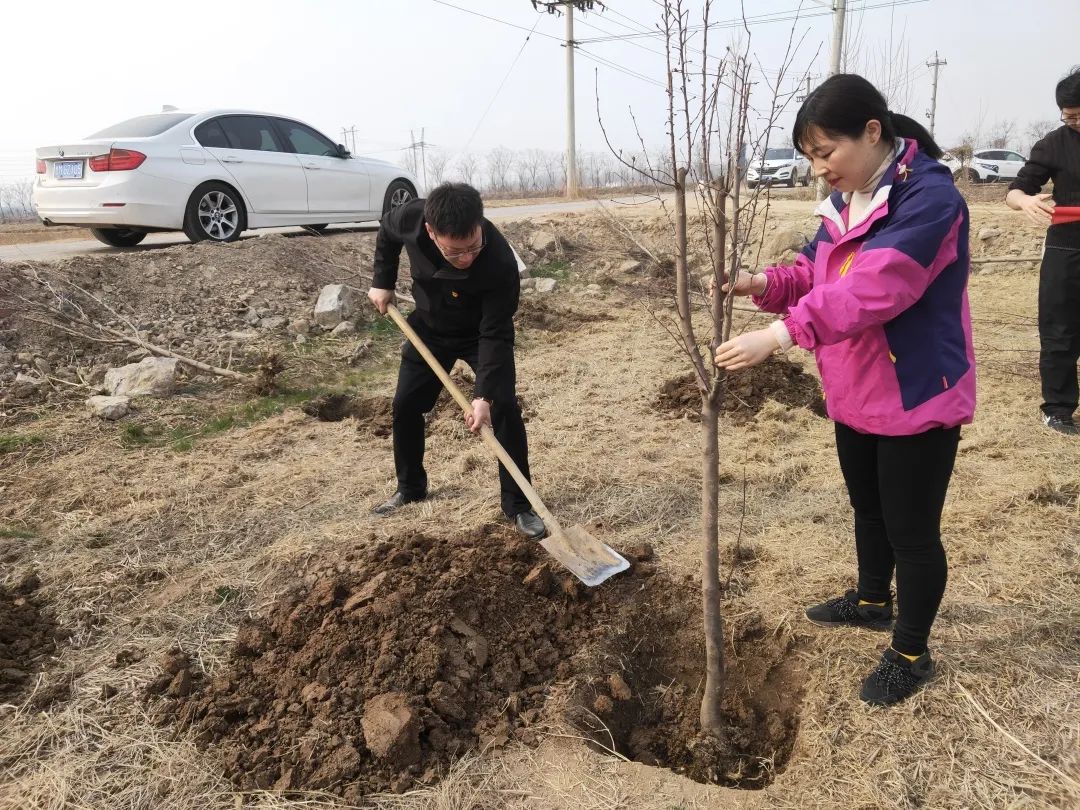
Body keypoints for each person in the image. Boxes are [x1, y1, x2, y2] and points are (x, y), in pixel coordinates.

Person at [714, 74, 975, 706]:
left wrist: (780, 335)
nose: (818, 169)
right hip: (856, 387)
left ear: (873, 132)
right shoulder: (847, 200)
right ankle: (869, 599)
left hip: (915, 392)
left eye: (826, 152)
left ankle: (910, 651)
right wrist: (762, 283)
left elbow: (876, 286)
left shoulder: (929, 200)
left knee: (912, 531)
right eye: (809, 157)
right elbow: (817, 270)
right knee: (869, 507)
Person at [367, 182, 546, 540]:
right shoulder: (412, 218)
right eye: (454, 252)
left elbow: (496, 332)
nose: (466, 257)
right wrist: (382, 282)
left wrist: (484, 397)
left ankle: (519, 505)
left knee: (504, 408)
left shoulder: (498, 262)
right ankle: (411, 487)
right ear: (431, 232)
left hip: (481, 333)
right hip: (430, 328)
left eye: (472, 246)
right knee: (406, 404)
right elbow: (387, 230)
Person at [1006, 66, 1080, 436]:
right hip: (1067, 246)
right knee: (1060, 331)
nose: (1075, 122)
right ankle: (1058, 410)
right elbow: (1016, 189)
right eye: (1069, 116)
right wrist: (1025, 202)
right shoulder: (1054, 142)